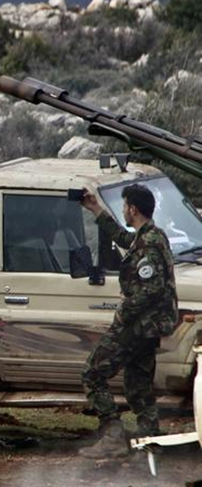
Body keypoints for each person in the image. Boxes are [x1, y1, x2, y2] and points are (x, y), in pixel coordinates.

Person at [78, 183, 179, 459]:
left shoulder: (150, 243)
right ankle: (150, 441)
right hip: (146, 328)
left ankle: (112, 434)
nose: (123, 210)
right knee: (138, 385)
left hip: (136, 327)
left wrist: (123, 313)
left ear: (132, 209)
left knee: (93, 373)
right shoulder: (149, 236)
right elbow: (124, 239)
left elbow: (152, 288)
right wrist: (96, 209)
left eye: (124, 206)